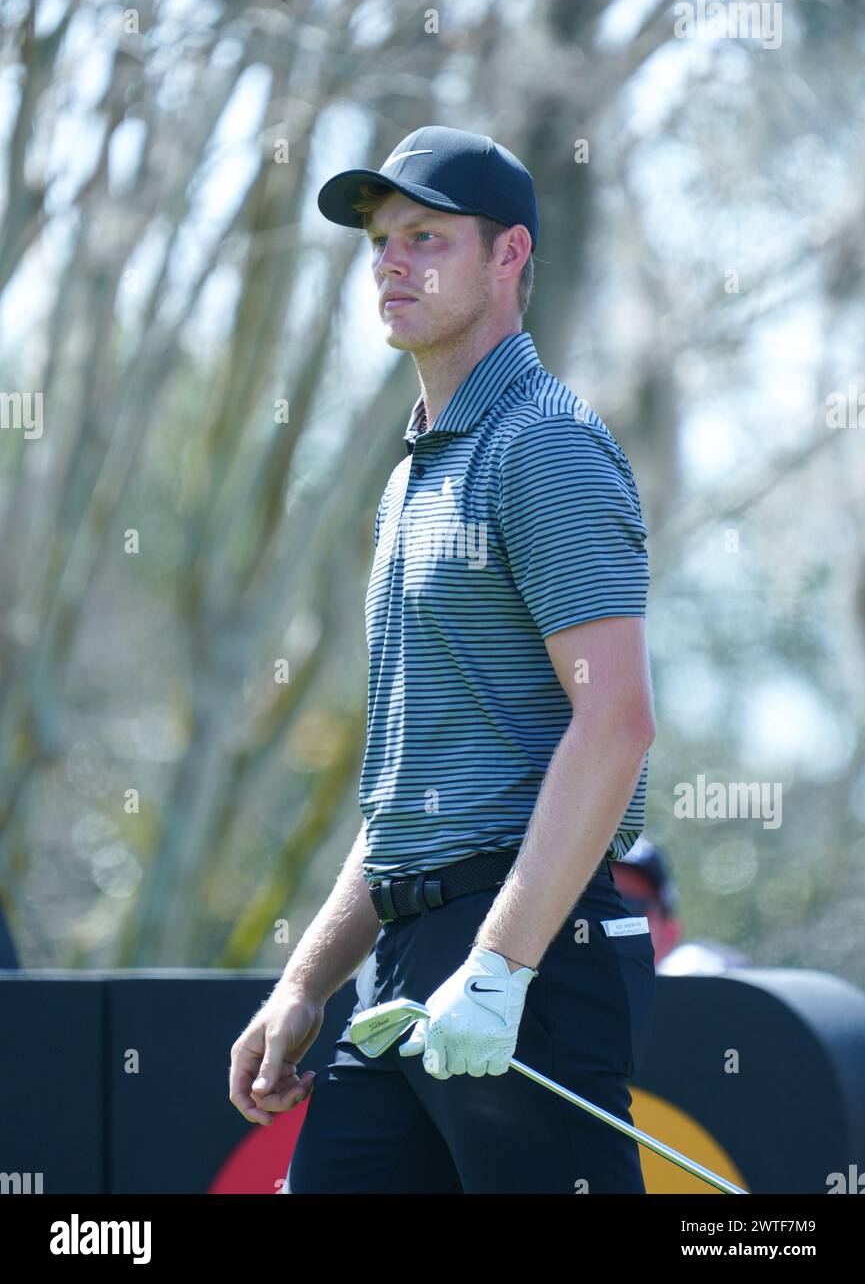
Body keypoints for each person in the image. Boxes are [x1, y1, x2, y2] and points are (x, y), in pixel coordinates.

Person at [229, 125, 657, 1194]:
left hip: (529, 950)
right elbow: (408, 797)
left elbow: (615, 724)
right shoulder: (412, 472)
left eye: (426, 237)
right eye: (380, 241)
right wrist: (304, 981)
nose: (390, 262)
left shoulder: (541, 444)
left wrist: (503, 964)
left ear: (507, 256)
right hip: (411, 963)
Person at [611, 835, 751, 974]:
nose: (604, 920)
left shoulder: (698, 978)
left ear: (668, 937)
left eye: (629, 907)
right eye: (589, 901)